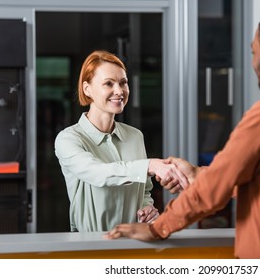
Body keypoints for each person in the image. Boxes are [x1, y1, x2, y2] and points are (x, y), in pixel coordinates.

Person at [104, 10, 260, 258]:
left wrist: (157, 228)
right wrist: (196, 174)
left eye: (254, 52)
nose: (253, 61)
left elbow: (213, 192)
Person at [55, 50, 188, 232]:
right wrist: (150, 165)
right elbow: (97, 173)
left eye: (123, 83)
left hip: (134, 242)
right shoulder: (68, 139)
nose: (119, 91)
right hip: (90, 246)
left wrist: (147, 208)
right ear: (87, 89)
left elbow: (144, 190)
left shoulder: (135, 136)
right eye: (108, 83)